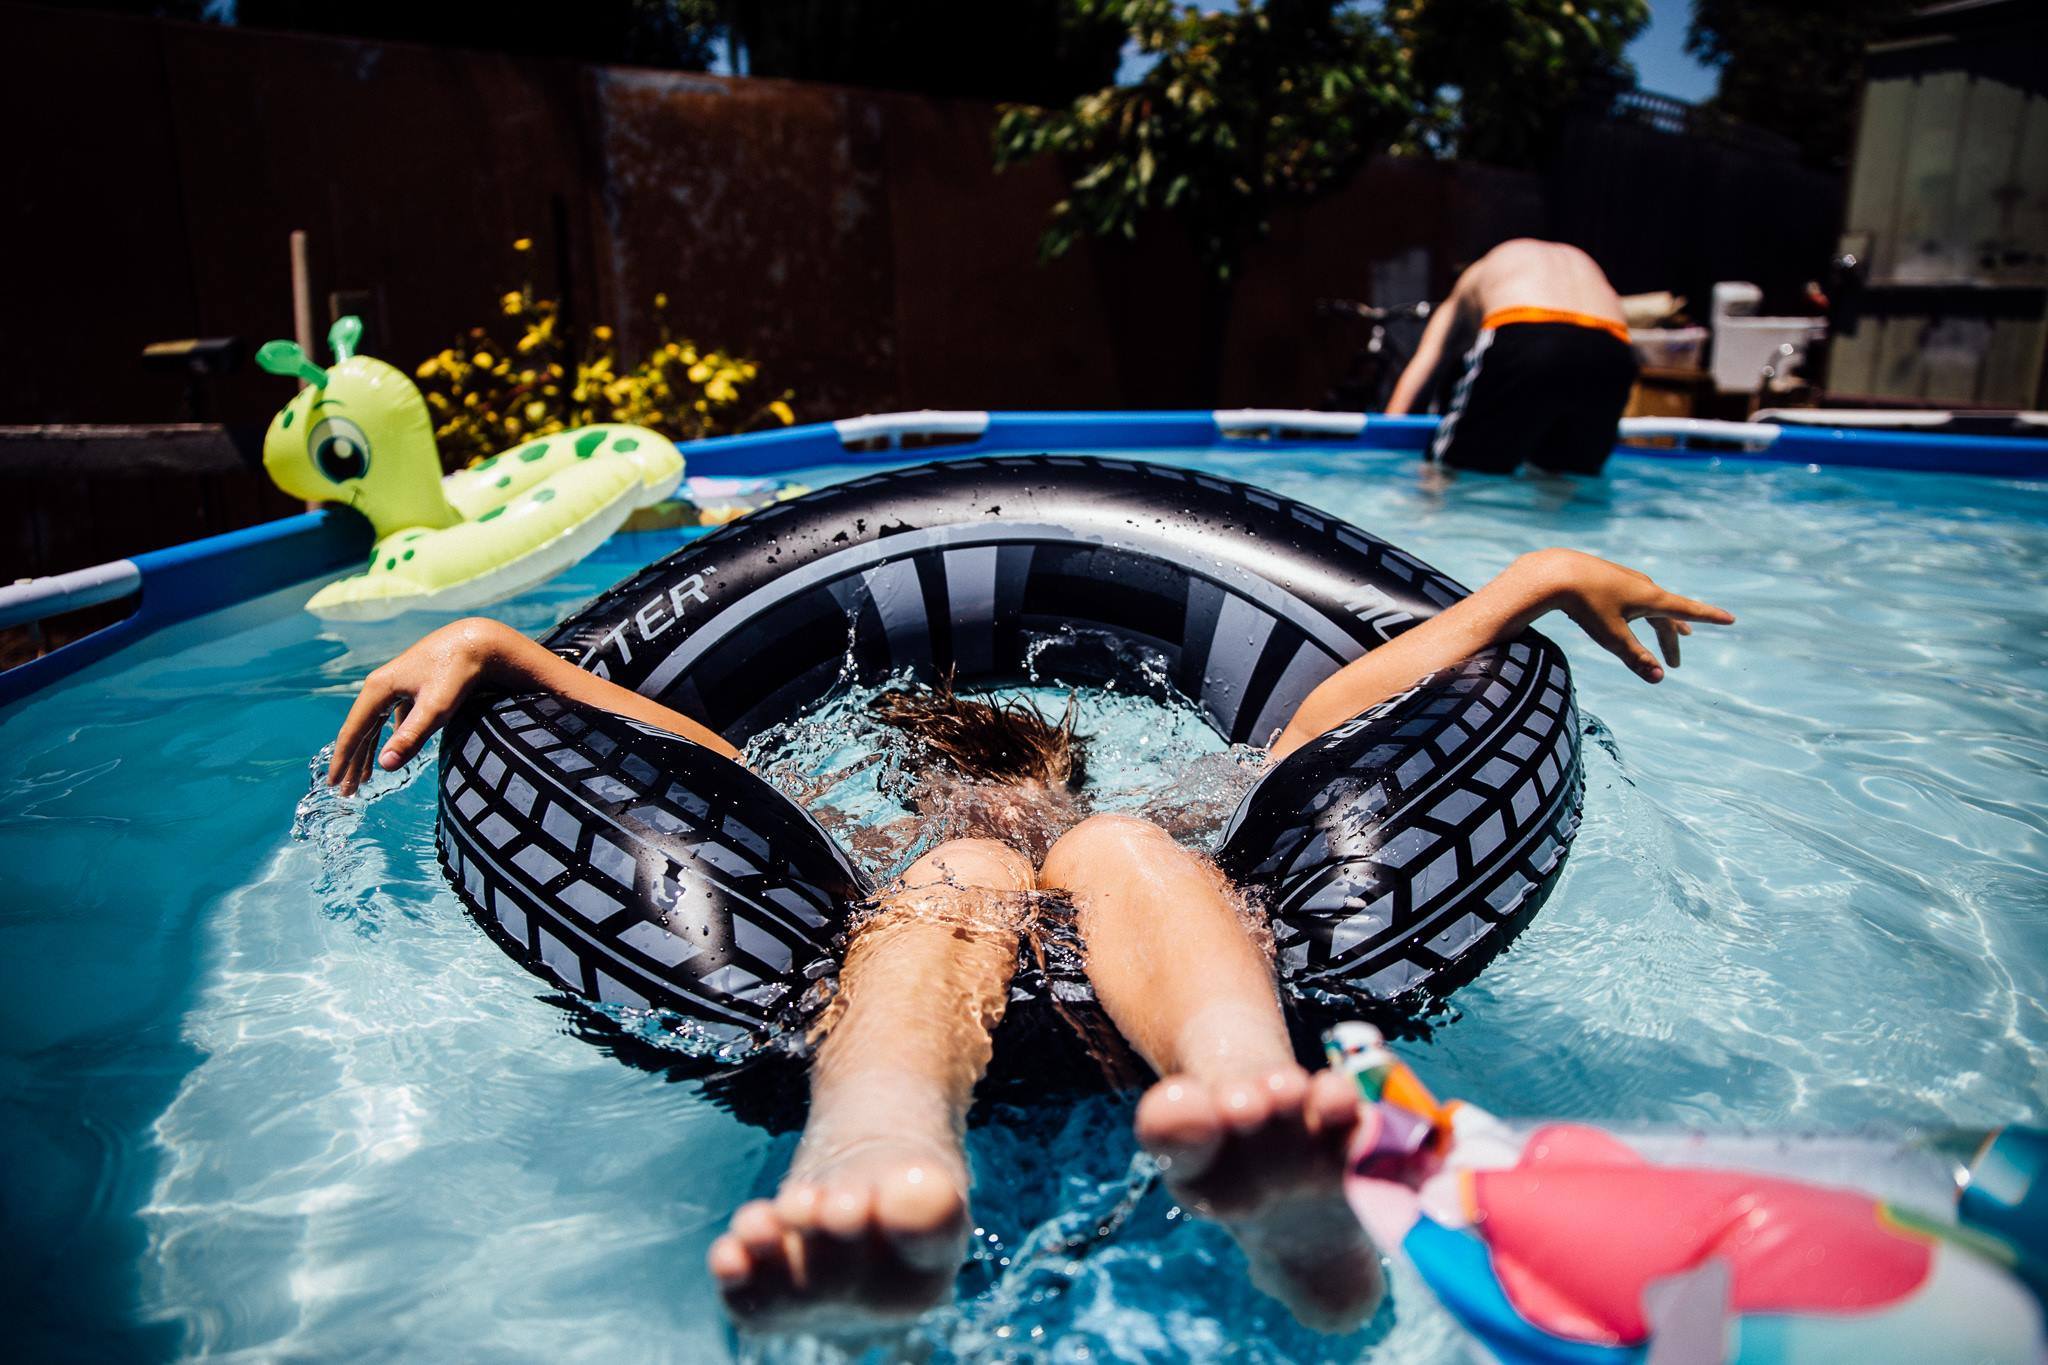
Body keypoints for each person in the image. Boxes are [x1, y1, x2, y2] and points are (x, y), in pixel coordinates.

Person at [325, 547, 1732, 1334]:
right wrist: (506, 652)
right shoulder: (1047, 838)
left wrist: (1520, 588)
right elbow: (699, 778)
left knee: (1072, 862)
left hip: (1130, 986)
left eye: (1003, 787)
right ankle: (901, 1137)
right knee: (997, 873)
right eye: (964, 790)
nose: (988, 809)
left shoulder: (1103, 830)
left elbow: (1330, 725)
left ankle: (1235, 1099)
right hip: (1039, 998)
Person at [1387, 239, 1638, 476]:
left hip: (1526, 329)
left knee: (1453, 470)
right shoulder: (1576, 259)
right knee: (1566, 476)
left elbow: (1429, 356)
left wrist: (1385, 433)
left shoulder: (1475, 274)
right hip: (1613, 346)